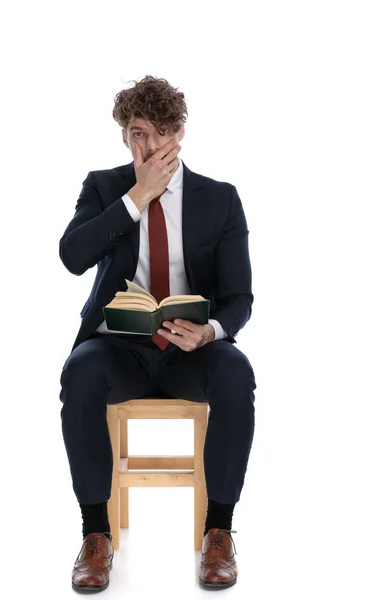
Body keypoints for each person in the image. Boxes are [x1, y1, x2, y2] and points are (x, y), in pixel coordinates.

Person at [58, 75, 257, 592]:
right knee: (78, 374)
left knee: (237, 375)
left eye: (161, 133)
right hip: (117, 349)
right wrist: (136, 198)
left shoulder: (220, 199)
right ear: (125, 136)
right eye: (139, 133)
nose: (150, 146)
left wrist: (210, 332)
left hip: (189, 352)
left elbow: (240, 299)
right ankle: (94, 534)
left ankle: (219, 530)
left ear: (181, 134)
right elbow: (72, 256)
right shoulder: (104, 187)